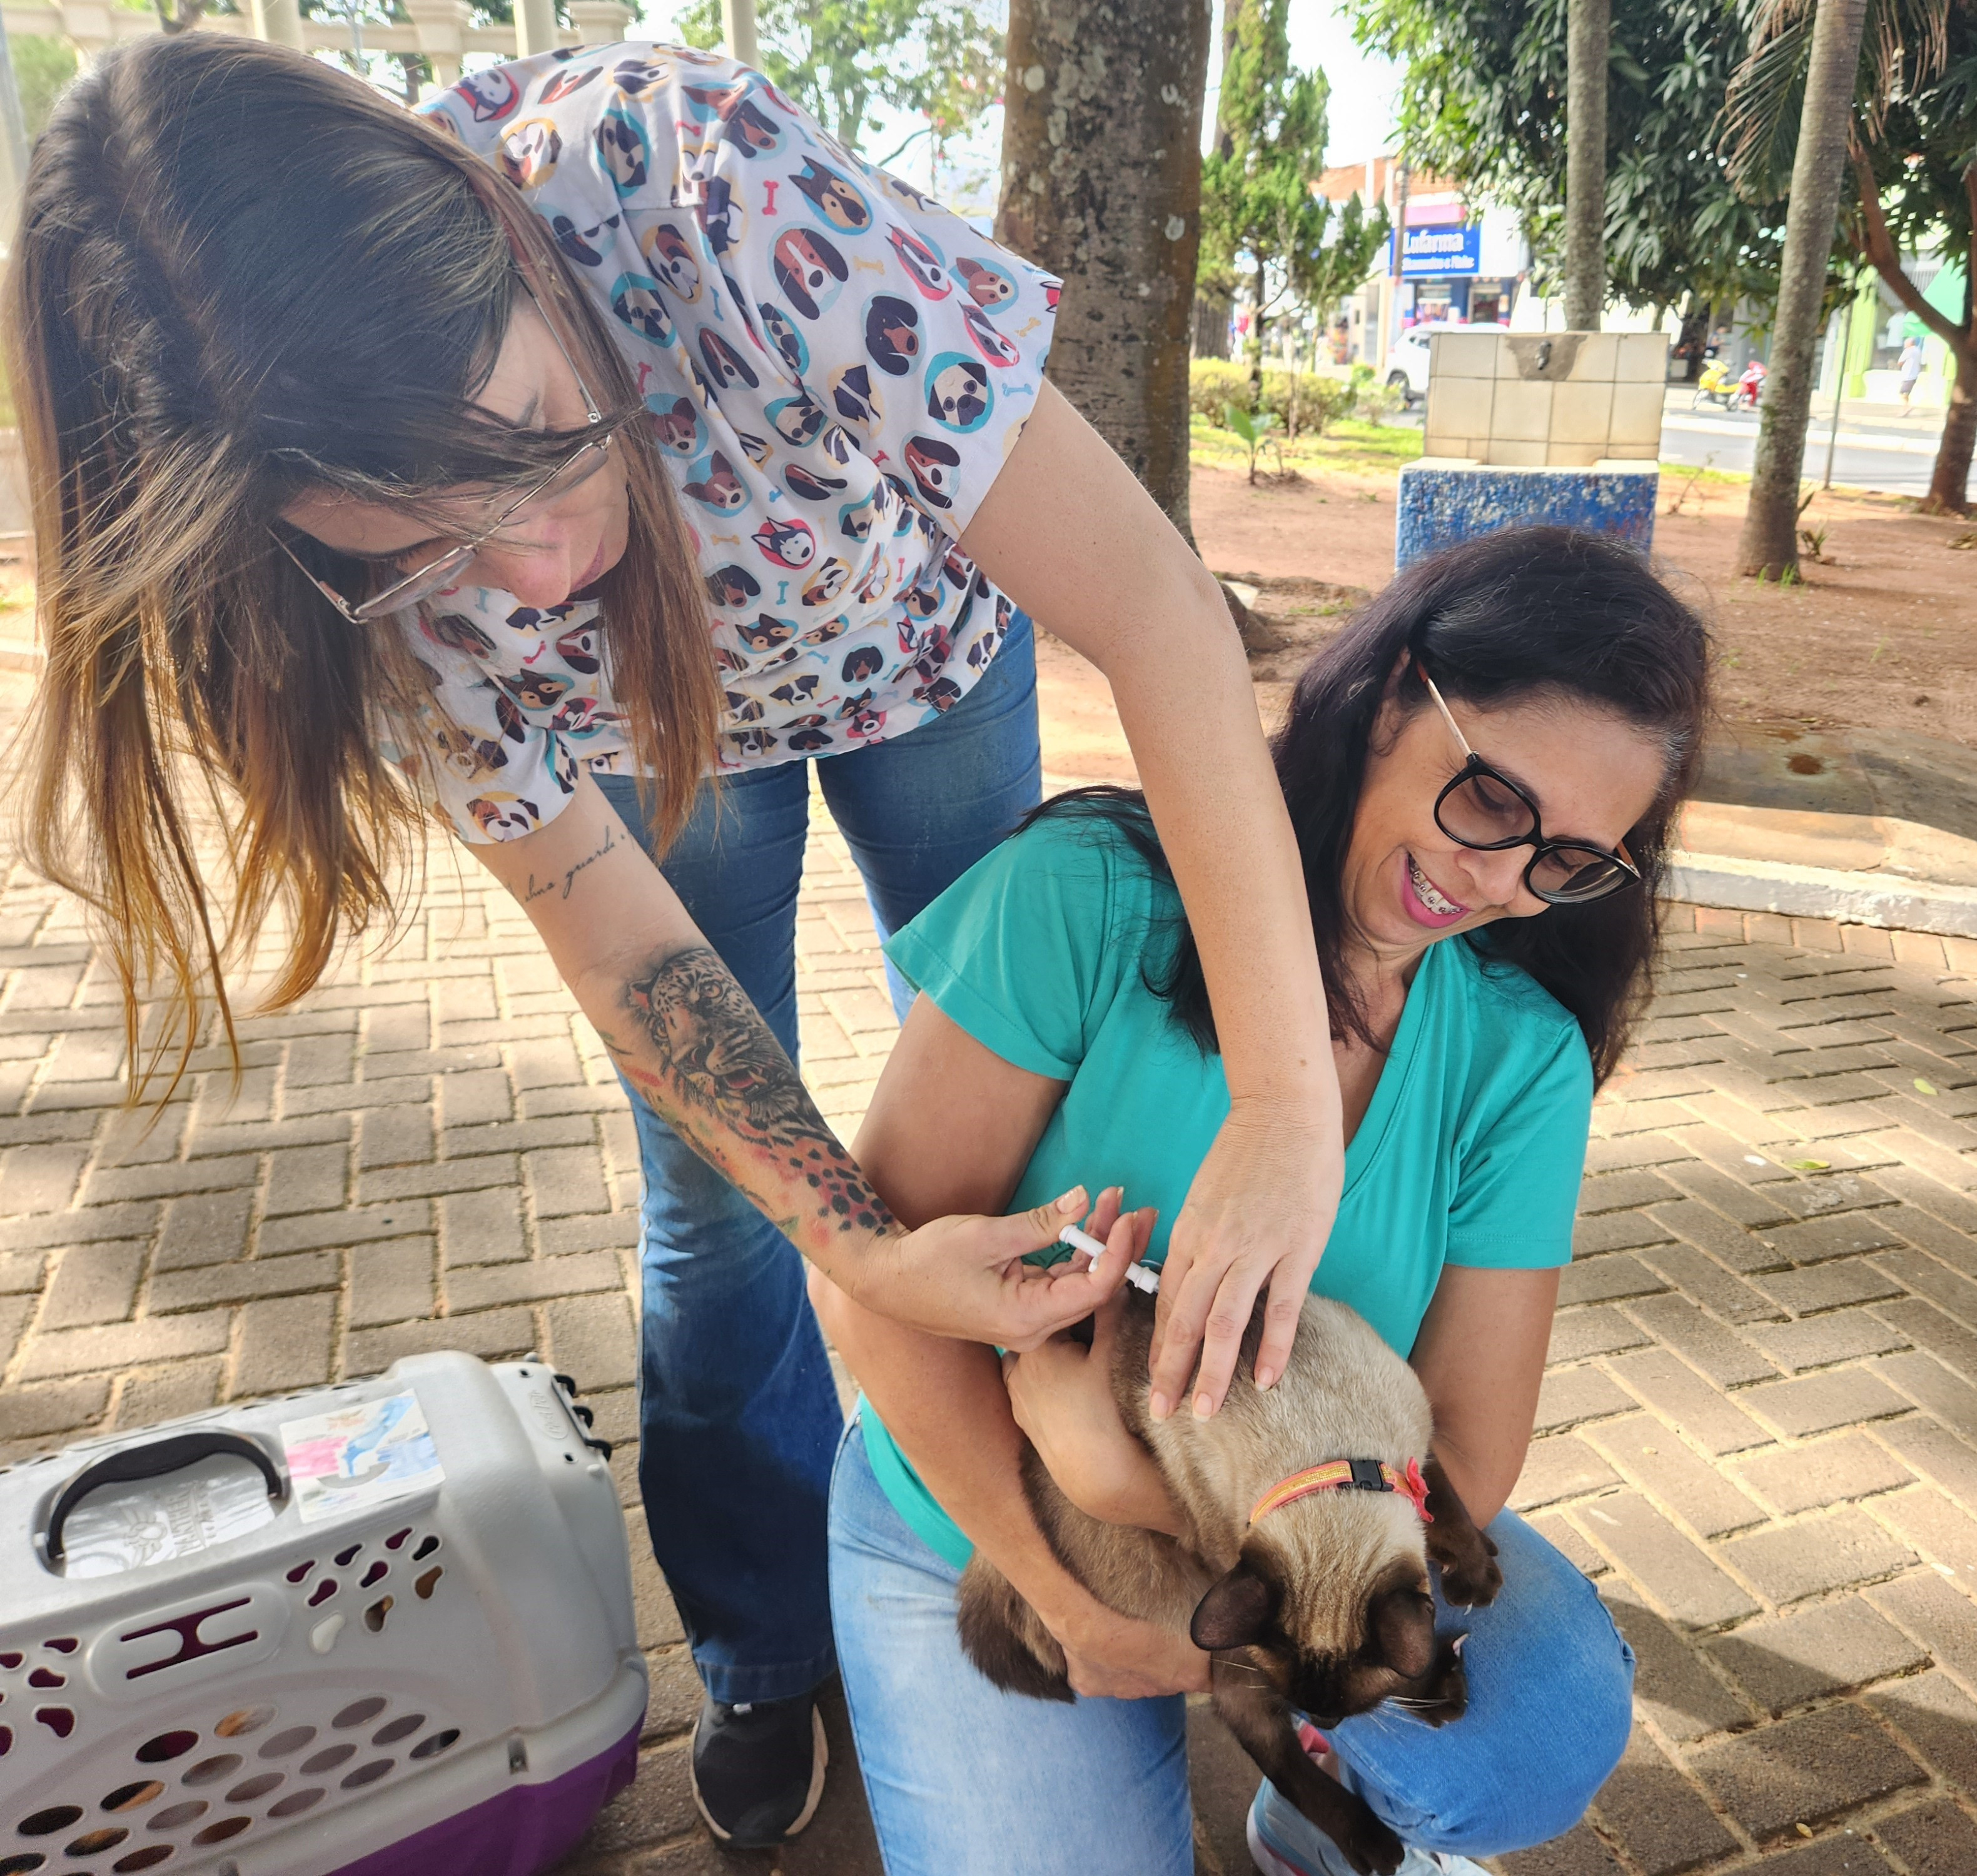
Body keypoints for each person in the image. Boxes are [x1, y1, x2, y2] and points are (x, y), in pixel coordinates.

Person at [6, 35, 1348, 1847]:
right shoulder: (306, 573)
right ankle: (763, 1644)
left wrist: (1281, 1098)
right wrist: (856, 1249)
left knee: (1015, 1136)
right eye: (423, 555)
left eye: (533, 450)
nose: (535, 574)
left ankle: (1089, 1515)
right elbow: (617, 946)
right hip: (651, 749)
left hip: (916, 657)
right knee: (728, 1214)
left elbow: (1158, 611)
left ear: (505, 229)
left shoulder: (684, 176)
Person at [814, 528, 1712, 1876]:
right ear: (1395, 694)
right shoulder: (1097, 896)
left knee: (1530, 1737)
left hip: (1273, 1540)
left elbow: (1463, 1451)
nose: (1492, 882)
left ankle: (1308, 1798)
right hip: (986, 1504)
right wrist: (1066, 1584)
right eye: (1487, 800)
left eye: (1567, 859)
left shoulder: (1513, 1048)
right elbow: (869, 1286)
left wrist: (1134, 1493)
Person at [1898, 335, 1925, 414]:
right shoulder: (1918, 350)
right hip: (1914, 375)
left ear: (1910, 343)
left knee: (1903, 393)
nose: (1904, 345)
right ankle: (1906, 408)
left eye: (1905, 343)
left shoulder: (1908, 351)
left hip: (1908, 375)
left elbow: (1900, 362)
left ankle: (1907, 407)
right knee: (1905, 393)